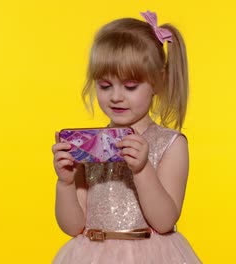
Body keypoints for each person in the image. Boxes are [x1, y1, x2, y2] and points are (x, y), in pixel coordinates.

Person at [51, 10, 202, 263]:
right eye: (105, 85)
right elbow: (72, 227)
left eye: (130, 86)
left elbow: (164, 221)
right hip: (91, 255)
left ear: (158, 82)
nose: (116, 96)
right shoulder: (89, 147)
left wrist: (142, 169)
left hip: (150, 254)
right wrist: (65, 184)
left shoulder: (170, 143)